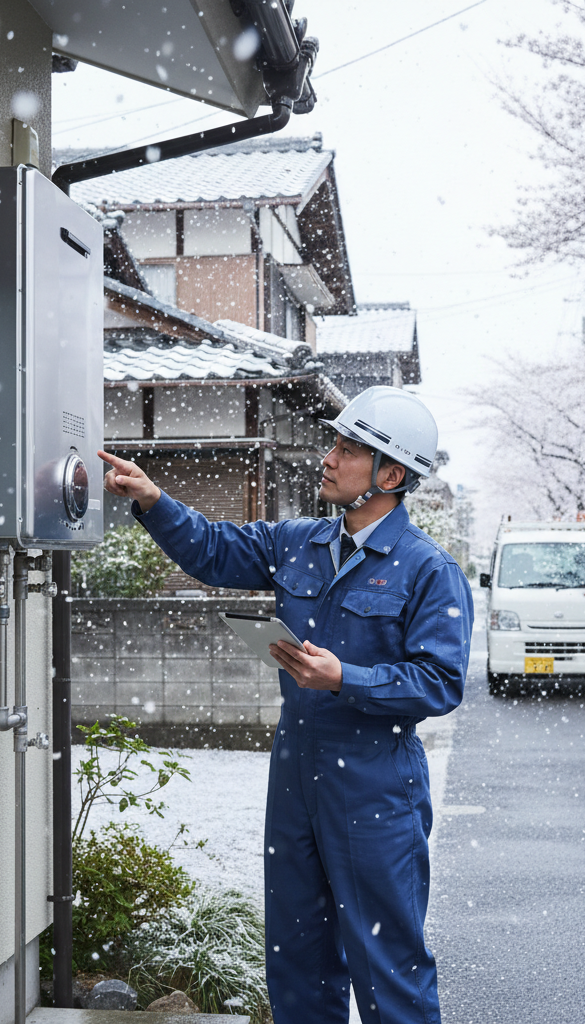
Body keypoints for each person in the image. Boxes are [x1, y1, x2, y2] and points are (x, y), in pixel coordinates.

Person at [98, 386, 473, 1024]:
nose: (328, 458)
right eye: (334, 444)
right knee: (297, 960)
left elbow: (440, 682)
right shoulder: (297, 541)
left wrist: (345, 679)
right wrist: (154, 501)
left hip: (377, 782)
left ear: (393, 474)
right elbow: (213, 549)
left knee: (388, 968)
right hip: (296, 773)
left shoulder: (427, 569)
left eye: (348, 449)